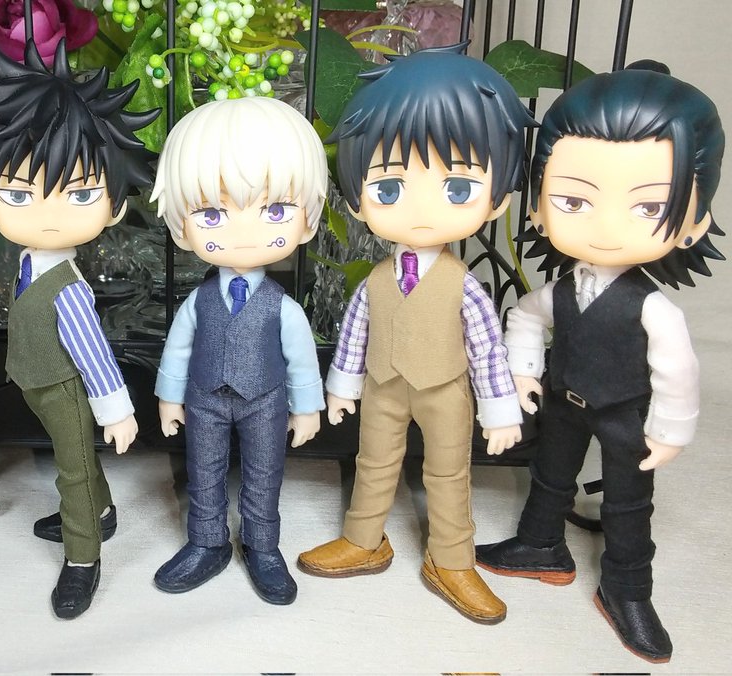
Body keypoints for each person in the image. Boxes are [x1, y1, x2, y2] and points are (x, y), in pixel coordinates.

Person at [475, 62, 724, 664]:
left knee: (628, 503)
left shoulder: (653, 308)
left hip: (623, 416)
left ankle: (627, 588)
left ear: (694, 222)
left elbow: (678, 372)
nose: (606, 226)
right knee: (550, 474)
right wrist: (524, 370)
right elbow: (525, 317)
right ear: (537, 207)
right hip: (564, 401)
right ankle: (541, 545)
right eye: (573, 200)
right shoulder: (562, 290)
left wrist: (669, 431)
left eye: (648, 206)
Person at [296, 44, 533, 624]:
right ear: (358, 197)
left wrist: (499, 410)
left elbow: (487, 348)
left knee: (449, 474)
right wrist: (342, 385)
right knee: (373, 461)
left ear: (496, 199)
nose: (422, 209)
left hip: (445, 390)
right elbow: (354, 333)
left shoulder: (464, 286)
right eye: (390, 188)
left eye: (457, 188)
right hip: (383, 386)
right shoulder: (375, 280)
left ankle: (452, 560)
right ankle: (363, 538)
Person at [0, 32, 156, 619]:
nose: (49, 212)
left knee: (73, 469)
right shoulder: (28, 265)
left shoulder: (69, 287)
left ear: (114, 206)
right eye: (18, 193)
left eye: (80, 194)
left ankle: (83, 556)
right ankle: (102, 513)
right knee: (76, 459)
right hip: (35, 380)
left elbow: (93, 354)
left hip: (63, 387)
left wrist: (116, 410)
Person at [149, 96, 326, 605]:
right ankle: (207, 542)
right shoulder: (199, 301)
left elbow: (301, 359)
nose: (245, 232)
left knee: (264, 473)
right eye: (212, 213)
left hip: (265, 401)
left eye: (275, 210)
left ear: (306, 222)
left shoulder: (282, 307)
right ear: (181, 225)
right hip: (204, 398)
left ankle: (262, 545)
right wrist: (169, 398)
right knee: (202, 471)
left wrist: (307, 407)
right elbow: (178, 349)